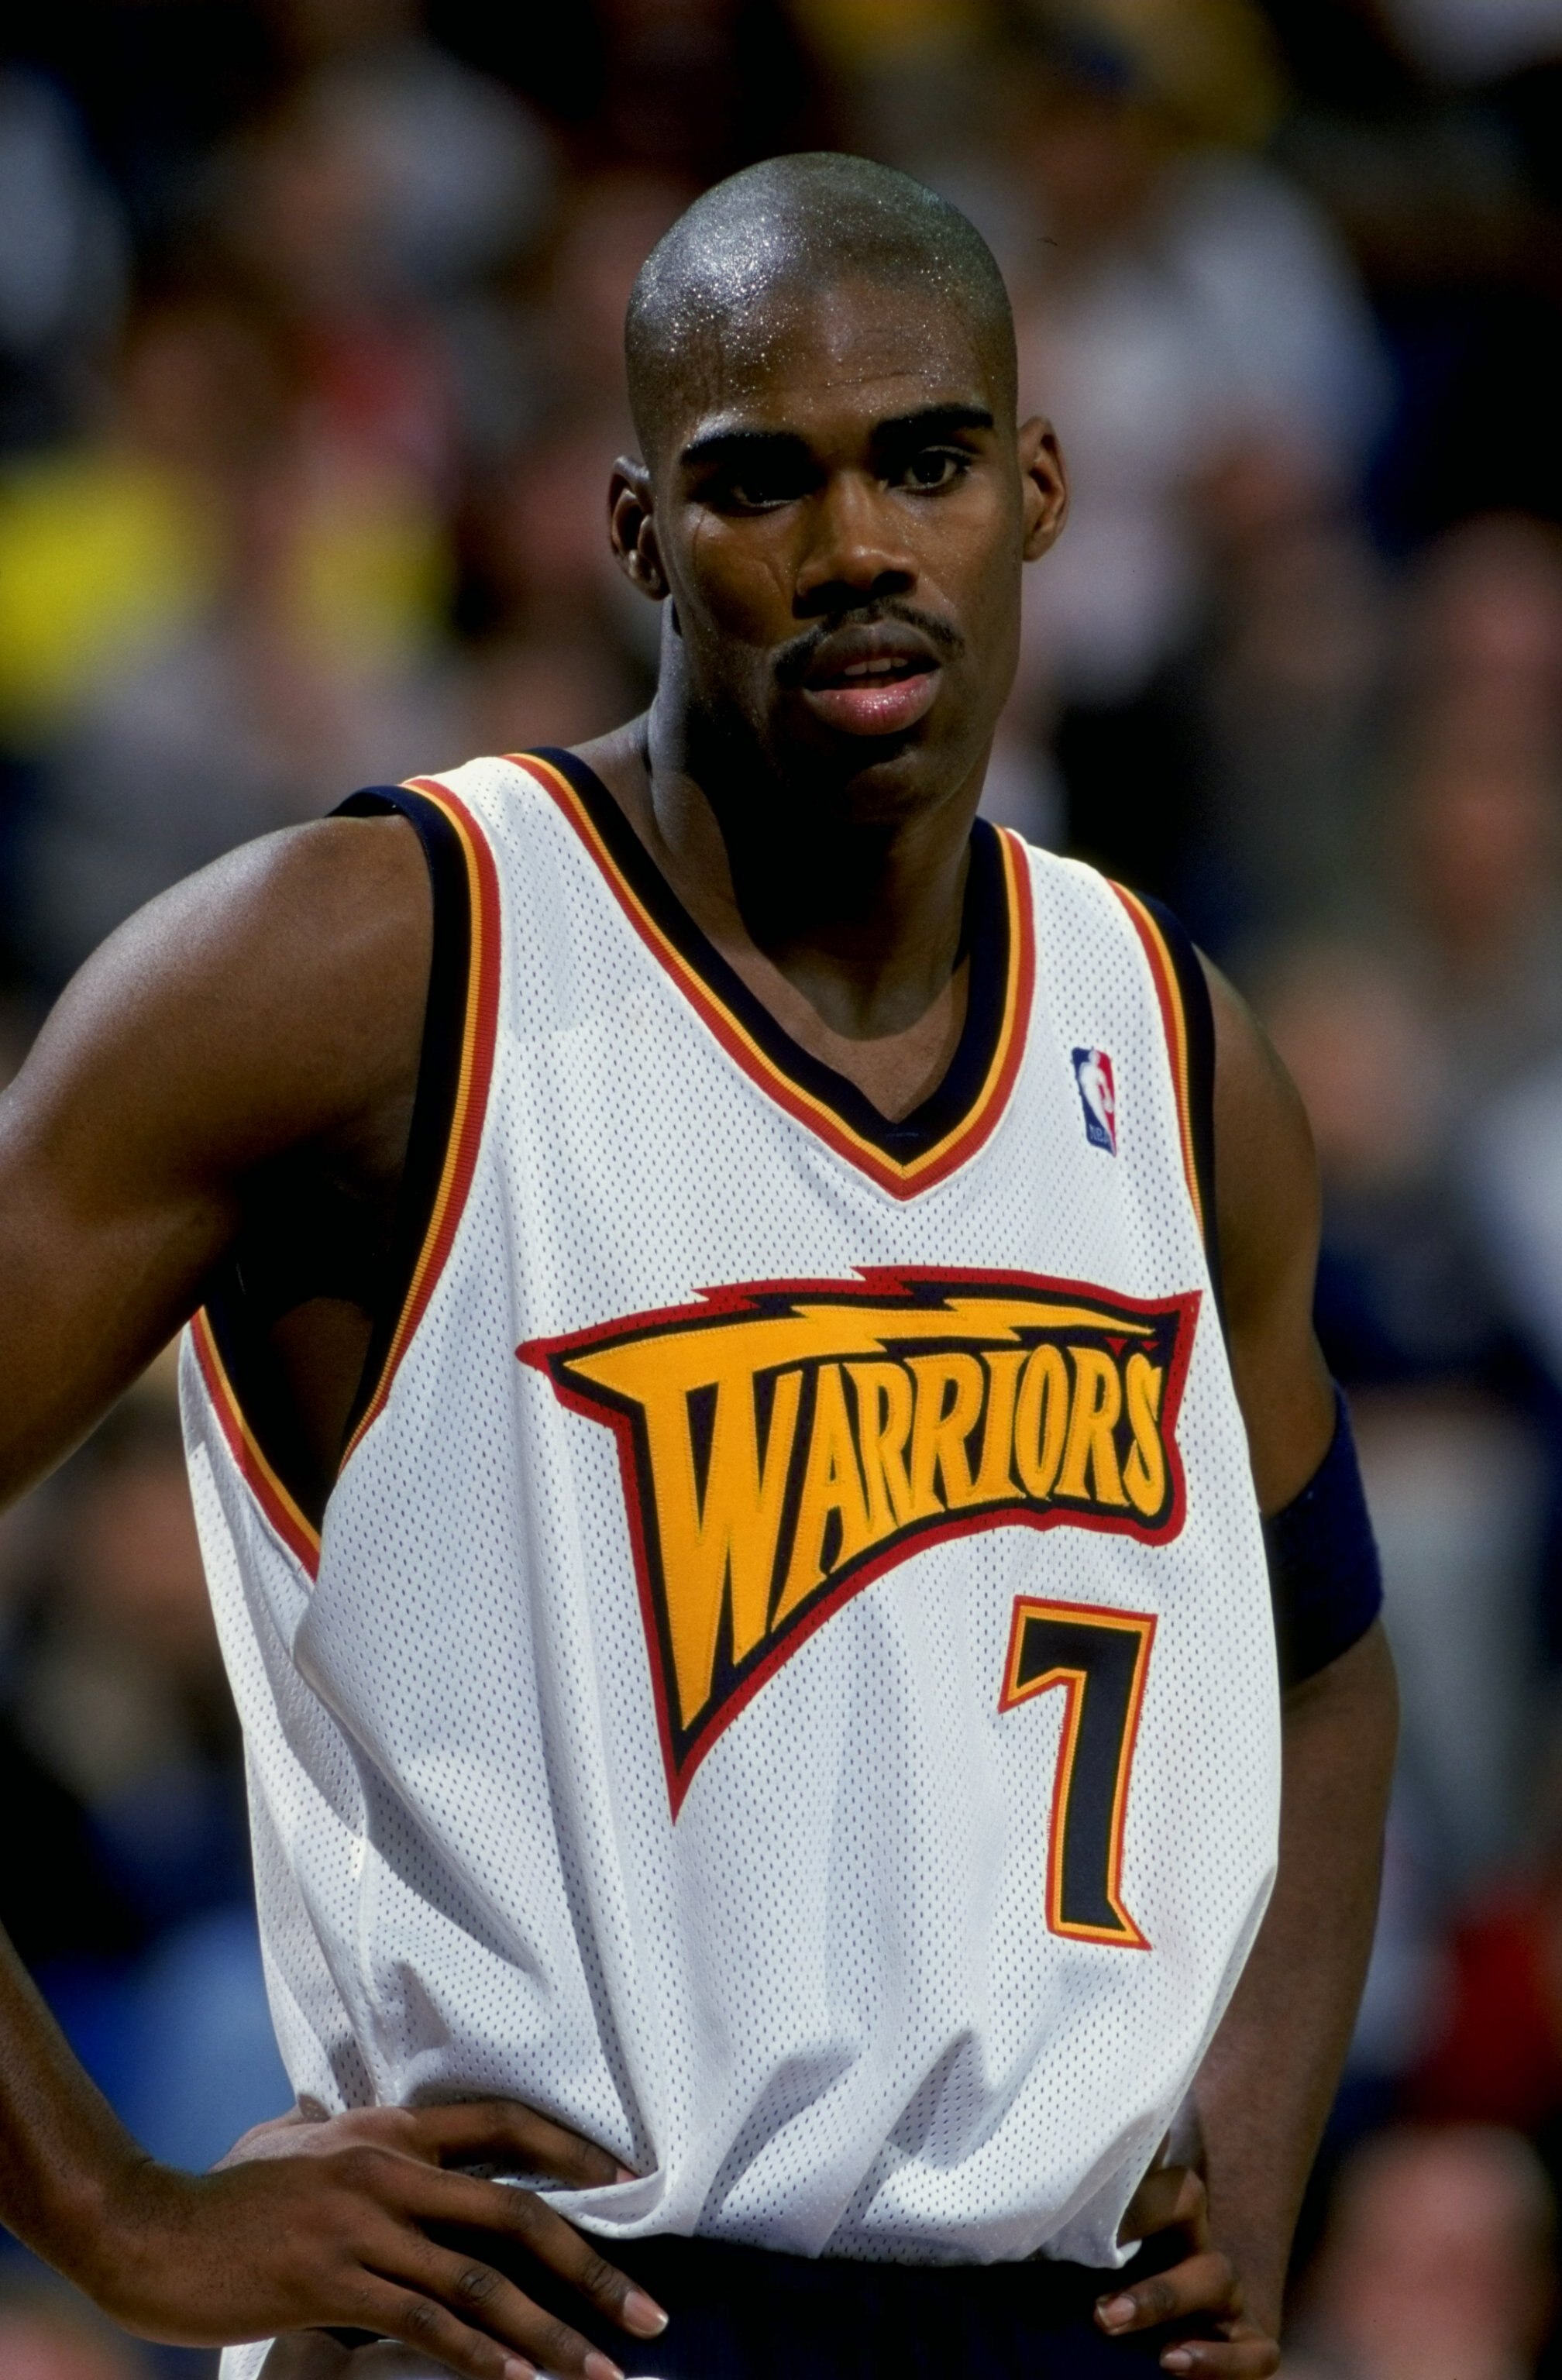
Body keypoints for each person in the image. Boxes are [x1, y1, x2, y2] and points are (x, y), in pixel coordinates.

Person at [0, 154, 1396, 2380]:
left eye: (925, 462)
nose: (855, 551)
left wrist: (1255, 2154)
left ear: (1036, 488)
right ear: (638, 534)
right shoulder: (370, 971)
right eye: (764, 485)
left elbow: (1329, 1658)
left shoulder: (1172, 1039)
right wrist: (116, 2221)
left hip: (1048, 2319)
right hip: (553, 2314)